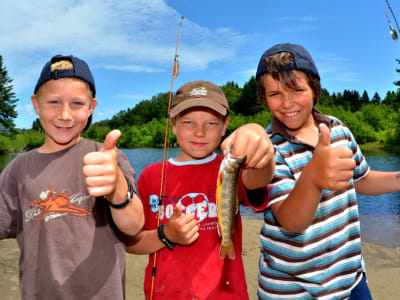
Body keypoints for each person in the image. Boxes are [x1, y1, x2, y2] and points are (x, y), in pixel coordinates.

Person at [255, 43, 400, 299]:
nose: (287, 103)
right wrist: (313, 177)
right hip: (292, 290)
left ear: (314, 90)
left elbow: (363, 179)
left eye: (297, 90)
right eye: (275, 93)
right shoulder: (266, 149)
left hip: (350, 278)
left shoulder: (338, 129)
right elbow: (291, 222)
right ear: (263, 98)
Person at [0, 55, 144, 299]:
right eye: (54, 102)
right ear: (36, 104)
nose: (65, 114)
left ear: (91, 107)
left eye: (77, 103)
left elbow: (134, 225)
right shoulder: (18, 168)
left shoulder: (107, 157)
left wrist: (117, 188)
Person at [126, 80, 275, 299]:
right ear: (173, 125)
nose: (199, 132)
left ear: (225, 126)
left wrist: (260, 141)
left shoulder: (229, 168)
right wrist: (166, 235)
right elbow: (133, 243)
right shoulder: (151, 175)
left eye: (211, 124)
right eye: (188, 122)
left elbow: (260, 177)